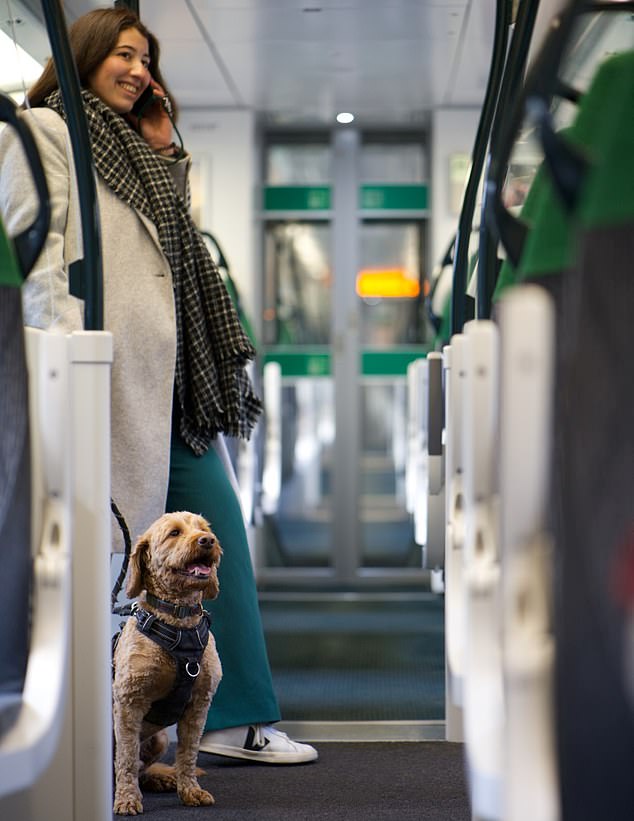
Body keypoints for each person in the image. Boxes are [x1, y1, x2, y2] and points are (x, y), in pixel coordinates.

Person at [0, 7, 317, 765]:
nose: (140, 70)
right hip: (96, 379)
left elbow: (165, 238)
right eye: (124, 54)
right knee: (112, 555)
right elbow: (35, 248)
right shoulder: (49, 133)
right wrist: (61, 360)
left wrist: (165, 143)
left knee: (218, 541)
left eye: (147, 60)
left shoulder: (137, 154)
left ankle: (234, 717)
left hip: (169, 384)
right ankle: (103, 730)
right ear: (84, 58)